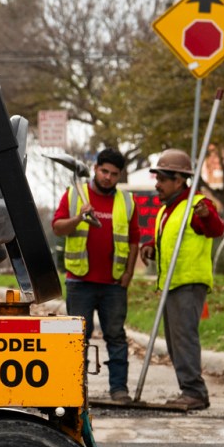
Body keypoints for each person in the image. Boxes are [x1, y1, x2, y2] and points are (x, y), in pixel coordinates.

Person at [52, 146, 137, 404]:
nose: (108, 177)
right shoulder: (75, 195)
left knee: (116, 336)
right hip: (80, 282)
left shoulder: (127, 202)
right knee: (78, 338)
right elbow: (57, 228)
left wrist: (128, 275)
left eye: (113, 174)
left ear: (119, 176)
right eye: (104, 171)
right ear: (95, 169)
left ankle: (119, 389)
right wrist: (79, 217)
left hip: (113, 284)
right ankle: (76, 390)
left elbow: (134, 241)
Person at [144, 147, 224, 412]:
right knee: (174, 341)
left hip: (188, 284)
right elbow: (170, 242)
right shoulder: (168, 209)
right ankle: (189, 390)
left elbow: (215, 228)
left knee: (184, 339)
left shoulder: (196, 205)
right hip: (172, 284)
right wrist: (151, 248)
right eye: (157, 179)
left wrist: (205, 214)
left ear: (179, 180)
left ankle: (194, 392)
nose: (157, 184)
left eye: (162, 179)